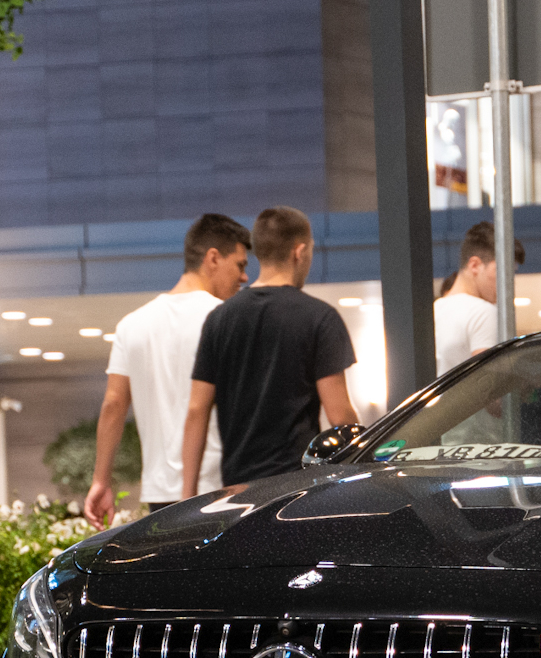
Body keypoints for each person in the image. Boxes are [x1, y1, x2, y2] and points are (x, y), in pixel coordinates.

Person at [84, 213, 251, 525]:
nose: (244, 278)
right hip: (222, 488)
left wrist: (101, 481)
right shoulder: (226, 319)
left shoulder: (132, 324)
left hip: (160, 495)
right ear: (213, 258)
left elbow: (113, 404)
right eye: (240, 265)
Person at [182, 206, 358, 497]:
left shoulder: (219, 319)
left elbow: (196, 410)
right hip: (296, 489)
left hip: (238, 491)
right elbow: (340, 415)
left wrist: (186, 496)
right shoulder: (320, 317)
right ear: (299, 252)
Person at [433, 221, 524, 375]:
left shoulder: (435, 310)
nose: (508, 282)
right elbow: (488, 386)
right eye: (501, 271)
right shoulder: (483, 313)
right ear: (474, 265)